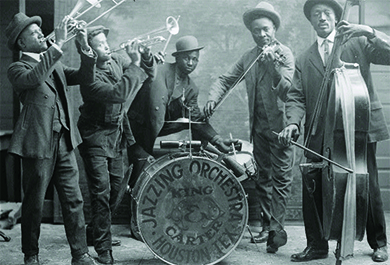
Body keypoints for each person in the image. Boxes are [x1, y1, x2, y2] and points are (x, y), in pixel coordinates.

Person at [278, 0, 390, 262]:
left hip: (359, 125)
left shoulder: (358, 42)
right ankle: (316, 245)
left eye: (327, 13)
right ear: (311, 21)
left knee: (367, 183)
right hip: (321, 131)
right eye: (316, 14)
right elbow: (295, 96)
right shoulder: (305, 58)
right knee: (313, 183)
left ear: (336, 17)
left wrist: (368, 31)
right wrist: (293, 122)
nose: (322, 18)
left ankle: (379, 243)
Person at [5, 13, 96, 265]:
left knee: (73, 199)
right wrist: (57, 45)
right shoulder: (17, 68)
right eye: (34, 34)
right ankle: (30, 255)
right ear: (22, 44)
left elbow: (84, 78)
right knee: (33, 204)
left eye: (40, 31)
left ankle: (80, 255)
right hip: (37, 143)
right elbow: (34, 79)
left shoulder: (53, 62)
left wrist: (84, 46)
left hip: (64, 140)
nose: (41, 35)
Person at [204, 2, 295, 253]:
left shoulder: (284, 54)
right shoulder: (248, 57)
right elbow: (226, 79)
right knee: (263, 178)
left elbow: (287, 89)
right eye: (256, 31)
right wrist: (213, 97)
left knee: (282, 179)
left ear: (274, 28)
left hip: (283, 131)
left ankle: (276, 229)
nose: (261, 35)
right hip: (260, 130)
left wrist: (273, 66)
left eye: (266, 29)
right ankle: (266, 227)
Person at [76, 25, 157, 264]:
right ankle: (103, 249)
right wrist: (134, 63)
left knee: (115, 191)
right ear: (89, 51)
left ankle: (94, 232)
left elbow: (149, 74)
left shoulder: (116, 60)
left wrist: (146, 56)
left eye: (106, 42)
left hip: (117, 136)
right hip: (95, 137)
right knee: (101, 193)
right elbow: (118, 94)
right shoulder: (88, 77)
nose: (107, 46)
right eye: (100, 45)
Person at [127, 35, 237, 185]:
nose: (191, 63)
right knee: (126, 181)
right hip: (133, 134)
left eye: (195, 59)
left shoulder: (192, 88)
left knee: (148, 184)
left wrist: (217, 140)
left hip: (155, 140)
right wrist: (147, 56)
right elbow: (145, 65)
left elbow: (196, 120)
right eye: (187, 58)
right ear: (177, 57)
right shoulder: (159, 69)